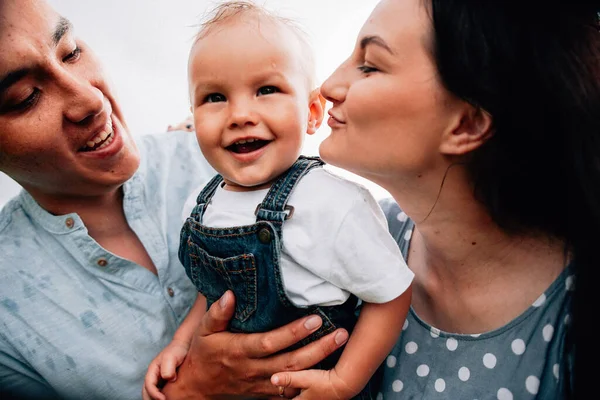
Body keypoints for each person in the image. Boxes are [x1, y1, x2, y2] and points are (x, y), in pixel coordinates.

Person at [163, 1, 600, 399]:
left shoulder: (572, 328)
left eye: (369, 65)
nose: (330, 84)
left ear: (465, 124)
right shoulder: (365, 232)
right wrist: (194, 384)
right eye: (215, 97)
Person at [0, 1, 351, 399]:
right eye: (25, 96)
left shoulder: (227, 160)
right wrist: (191, 391)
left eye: (71, 52)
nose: (91, 102)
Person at [143, 2, 413, 399]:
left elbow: (391, 293)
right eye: (215, 97)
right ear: (192, 115)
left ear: (312, 111)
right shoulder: (201, 207)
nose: (239, 114)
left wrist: (342, 384)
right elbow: (214, 292)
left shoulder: (331, 203)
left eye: (266, 90)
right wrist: (182, 344)